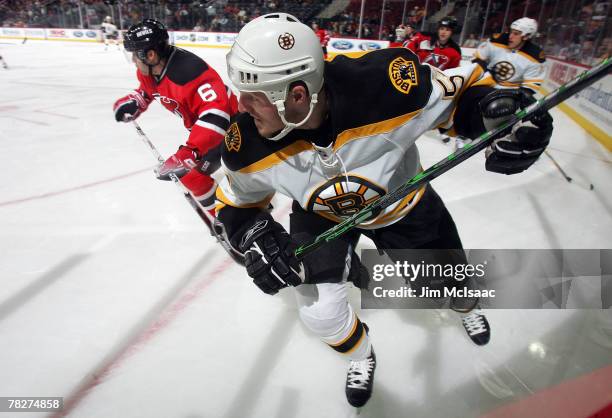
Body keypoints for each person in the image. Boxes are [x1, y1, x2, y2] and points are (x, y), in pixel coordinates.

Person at [219, 13, 553, 407]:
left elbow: (463, 97)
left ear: (296, 94)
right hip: (321, 216)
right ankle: (362, 356)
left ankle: (466, 306)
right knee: (320, 315)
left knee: (445, 285)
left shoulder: (386, 86)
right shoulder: (247, 143)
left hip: (403, 206)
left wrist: (502, 115)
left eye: (254, 95)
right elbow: (237, 203)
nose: (241, 106)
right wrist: (252, 233)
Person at [113, 19, 238, 251]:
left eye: (134, 55)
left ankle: (238, 220)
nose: (132, 60)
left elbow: (217, 115)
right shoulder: (151, 71)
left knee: (229, 174)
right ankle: (227, 217)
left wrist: (189, 152)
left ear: (150, 55)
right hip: (208, 131)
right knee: (191, 175)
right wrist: (137, 101)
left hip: (233, 128)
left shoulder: (189, 71)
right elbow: (149, 90)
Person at [473, 17, 546, 94]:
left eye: (516, 34)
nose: (510, 36)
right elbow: (477, 58)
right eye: (511, 32)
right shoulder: (497, 40)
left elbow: (531, 86)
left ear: (526, 36)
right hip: (486, 84)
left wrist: (518, 95)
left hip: (510, 93)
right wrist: (486, 75)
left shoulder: (535, 56)